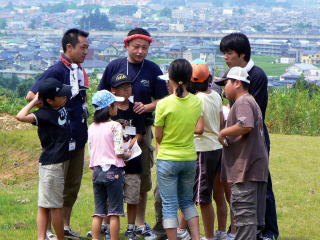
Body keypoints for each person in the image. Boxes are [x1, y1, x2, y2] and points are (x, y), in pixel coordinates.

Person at [98, 27, 168, 237]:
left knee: (141, 174)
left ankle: (138, 222)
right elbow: (100, 96)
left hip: (142, 130)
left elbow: (164, 99)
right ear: (126, 45)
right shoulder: (114, 66)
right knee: (110, 173)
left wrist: (147, 107)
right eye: (136, 47)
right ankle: (106, 221)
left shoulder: (153, 69)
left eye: (144, 48)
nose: (140, 51)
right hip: (113, 130)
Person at [26, 28, 89, 239]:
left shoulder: (78, 70)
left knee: (72, 185)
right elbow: (31, 95)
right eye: (83, 47)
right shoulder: (56, 71)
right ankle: (50, 232)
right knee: (56, 188)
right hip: (60, 142)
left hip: (78, 136)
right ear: (69, 47)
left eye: (87, 47)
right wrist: (51, 114)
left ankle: (66, 226)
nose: (86, 52)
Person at [219, 32, 279, 240]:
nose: (225, 57)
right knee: (248, 187)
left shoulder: (257, 76)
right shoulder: (234, 75)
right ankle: (245, 229)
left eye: (229, 53)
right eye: (224, 53)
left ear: (242, 54)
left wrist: (225, 130)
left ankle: (268, 230)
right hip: (242, 140)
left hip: (255, 140)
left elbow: (250, 120)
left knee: (258, 185)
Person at [215, 66, 269, 240]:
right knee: (251, 220)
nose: (224, 89)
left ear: (237, 83)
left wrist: (223, 132)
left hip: (246, 170)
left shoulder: (243, 102)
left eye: (226, 84)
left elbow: (246, 125)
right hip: (254, 169)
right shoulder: (250, 100)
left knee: (244, 219)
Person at [16, 77, 72, 240]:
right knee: (55, 206)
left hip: (55, 162)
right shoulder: (44, 114)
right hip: (52, 164)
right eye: (61, 96)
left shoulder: (59, 106)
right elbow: (20, 116)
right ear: (49, 100)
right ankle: (59, 238)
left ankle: (42, 237)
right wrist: (34, 101)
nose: (65, 97)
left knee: (45, 205)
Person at [154, 59, 203, 240]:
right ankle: (196, 237)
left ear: (170, 78)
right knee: (187, 202)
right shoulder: (196, 102)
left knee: (169, 205)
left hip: (167, 158)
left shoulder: (163, 104)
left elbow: (158, 135)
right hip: (189, 157)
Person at [88, 90, 131, 240]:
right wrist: (128, 154)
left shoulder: (91, 127)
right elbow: (119, 151)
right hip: (114, 171)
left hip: (97, 171)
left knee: (99, 211)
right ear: (109, 107)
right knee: (114, 212)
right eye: (115, 104)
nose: (117, 107)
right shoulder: (115, 126)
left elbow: (91, 150)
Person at [110, 73, 146, 240]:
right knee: (112, 196)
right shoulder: (110, 111)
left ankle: (131, 227)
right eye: (123, 88)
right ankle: (108, 227)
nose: (127, 91)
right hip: (113, 160)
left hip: (133, 159)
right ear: (114, 91)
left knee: (133, 195)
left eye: (129, 87)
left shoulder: (136, 109)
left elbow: (140, 133)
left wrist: (129, 147)